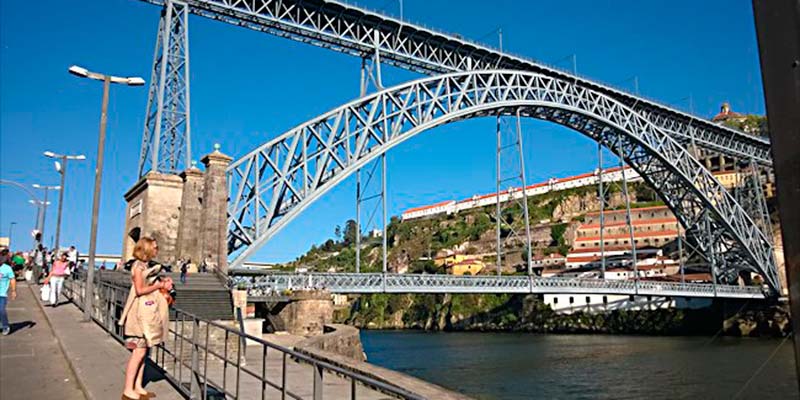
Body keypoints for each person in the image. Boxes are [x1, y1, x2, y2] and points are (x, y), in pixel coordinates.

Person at [118, 237, 172, 400]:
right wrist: (159, 286)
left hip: (146, 312)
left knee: (143, 353)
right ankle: (128, 390)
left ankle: (138, 387)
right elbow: (140, 290)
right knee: (138, 353)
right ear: (147, 248)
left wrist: (161, 283)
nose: (157, 250)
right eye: (154, 247)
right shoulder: (138, 267)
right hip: (139, 315)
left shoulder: (144, 266)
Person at [0, 254, 16, 335]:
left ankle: (5, 326)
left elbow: (12, 279)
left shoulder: (7, 268)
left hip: (2, 294)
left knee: (1, 310)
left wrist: (13, 291)